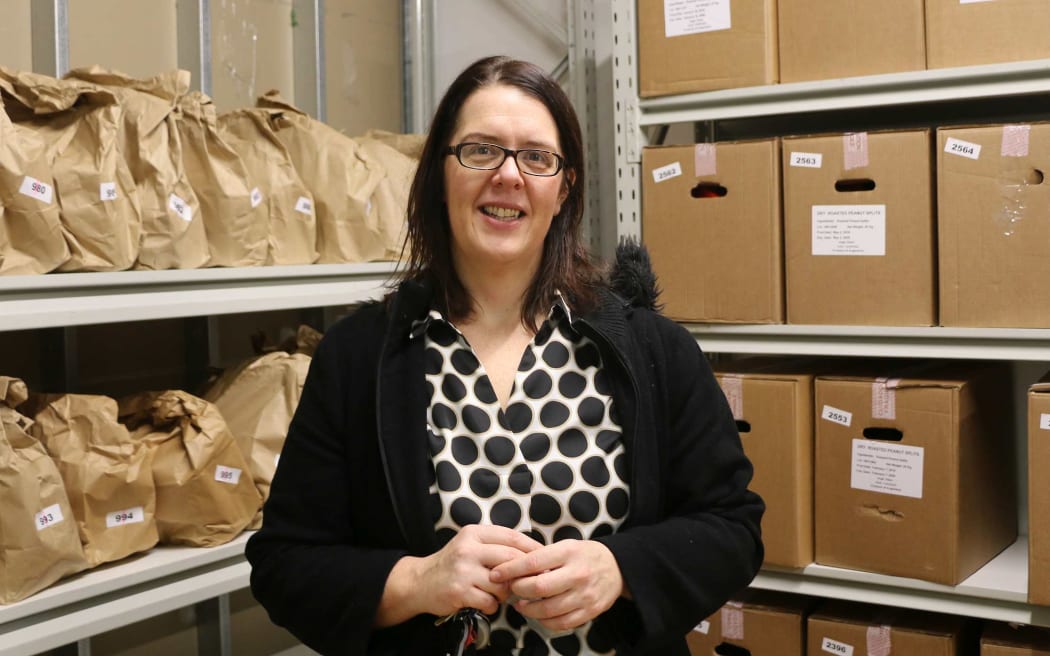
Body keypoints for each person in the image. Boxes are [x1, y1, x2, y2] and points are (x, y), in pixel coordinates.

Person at [246, 55, 764, 656]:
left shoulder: (653, 350)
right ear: (440, 174)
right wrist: (416, 582)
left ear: (564, 186)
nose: (508, 176)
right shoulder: (359, 359)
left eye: (537, 157)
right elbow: (285, 563)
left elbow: (732, 526)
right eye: (480, 150)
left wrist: (620, 568)